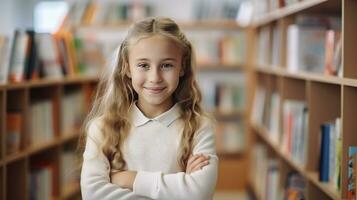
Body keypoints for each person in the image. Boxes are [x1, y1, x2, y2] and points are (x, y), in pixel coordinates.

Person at [80, 17, 218, 200]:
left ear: (182, 67)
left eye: (166, 65)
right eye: (143, 65)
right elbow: (93, 193)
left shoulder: (199, 127)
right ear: (127, 68)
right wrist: (179, 187)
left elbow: (199, 193)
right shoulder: (102, 128)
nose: (155, 77)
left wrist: (130, 179)